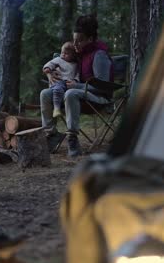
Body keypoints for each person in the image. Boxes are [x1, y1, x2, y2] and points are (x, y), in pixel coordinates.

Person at [40, 15, 113, 157]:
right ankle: (51, 134)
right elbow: (61, 65)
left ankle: (72, 139)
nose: (75, 44)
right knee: (45, 94)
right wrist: (51, 75)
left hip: (99, 98)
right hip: (79, 95)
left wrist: (77, 86)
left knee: (71, 93)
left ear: (90, 39)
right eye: (74, 40)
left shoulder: (99, 55)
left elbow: (103, 87)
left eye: (79, 41)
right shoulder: (79, 55)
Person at [42, 41, 78, 122]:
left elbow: (77, 75)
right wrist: (48, 69)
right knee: (58, 89)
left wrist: (75, 81)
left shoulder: (75, 64)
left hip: (69, 85)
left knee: (69, 92)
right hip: (58, 82)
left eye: (66, 53)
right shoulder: (58, 60)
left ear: (73, 55)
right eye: (62, 52)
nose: (63, 55)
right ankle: (57, 108)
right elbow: (50, 64)